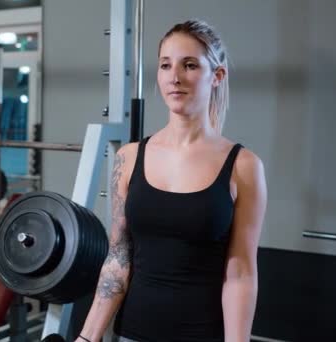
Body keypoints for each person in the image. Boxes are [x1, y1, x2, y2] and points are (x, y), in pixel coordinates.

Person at [76, 19, 268, 342]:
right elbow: (118, 259)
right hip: (132, 333)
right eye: (166, 65)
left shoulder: (243, 166)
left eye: (189, 65)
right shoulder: (129, 158)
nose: (174, 77)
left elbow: (240, 275)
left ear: (217, 76)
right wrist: (87, 337)